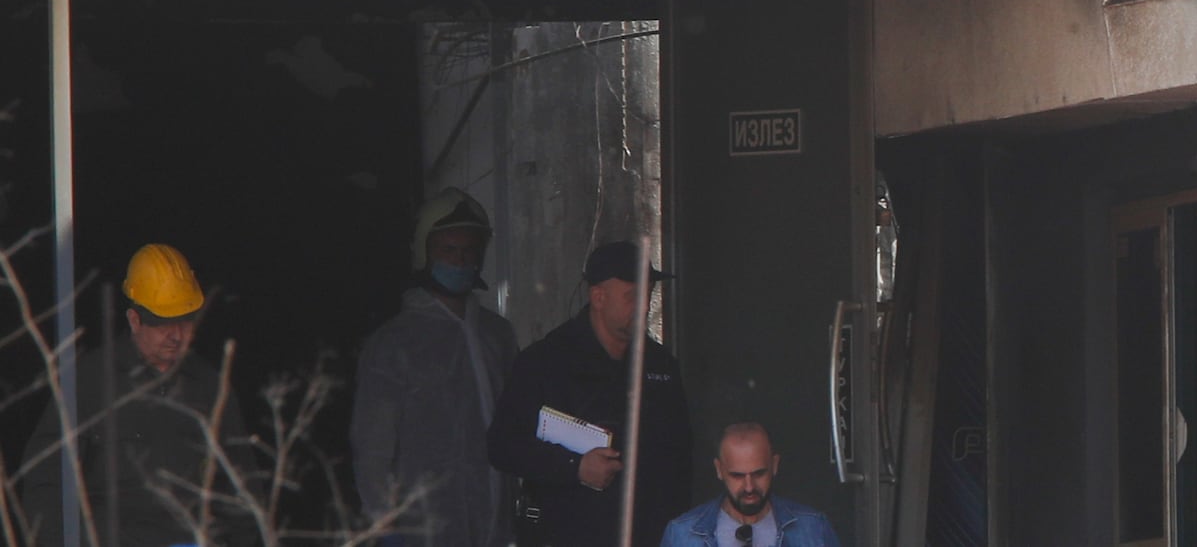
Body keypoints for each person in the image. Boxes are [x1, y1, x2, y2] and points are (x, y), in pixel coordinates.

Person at [21, 242, 260, 547]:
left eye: (185, 322)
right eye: (163, 324)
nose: (176, 335)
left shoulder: (209, 385)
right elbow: (46, 483)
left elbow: (241, 486)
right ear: (135, 320)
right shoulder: (89, 382)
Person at [487, 240, 691, 547]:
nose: (644, 306)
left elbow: (680, 460)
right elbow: (503, 446)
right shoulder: (546, 362)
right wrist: (575, 468)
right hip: (566, 533)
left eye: (648, 294)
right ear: (598, 297)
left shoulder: (662, 366)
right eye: (632, 295)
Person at [350, 188, 519, 546]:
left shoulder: (497, 335)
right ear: (425, 254)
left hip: (493, 527)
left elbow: (515, 428)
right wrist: (385, 524)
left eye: (469, 250)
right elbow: (373, 448)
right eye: (448, 250)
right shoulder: (394, 344)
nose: (460, 261)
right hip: (421, 531)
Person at [660, 422, 840, 547]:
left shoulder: (814, 528)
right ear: (719, 470)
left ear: (775, 465)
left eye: (759, 474)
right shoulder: (682, 534)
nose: (749, 487)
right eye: (737, 476)